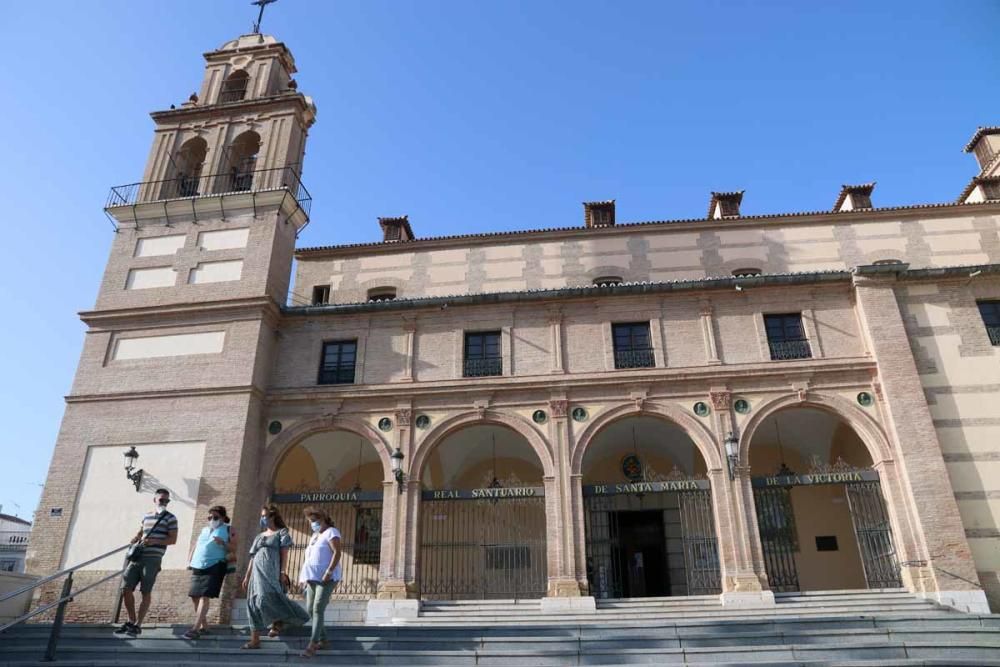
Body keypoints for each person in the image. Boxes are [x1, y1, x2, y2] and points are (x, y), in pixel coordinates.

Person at [241, 505, 308, 649]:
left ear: (272, 516)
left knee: (267, 598)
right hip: (256, 575)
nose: (262, 518)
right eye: (262, 516)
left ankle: (279, 622)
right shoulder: (259, 536)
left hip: (271, 572)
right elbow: (252, 557)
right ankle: (255, 639)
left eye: (264, 515)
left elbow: (284, 554)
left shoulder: (282, 533)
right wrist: (247, 576)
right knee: (253, 603)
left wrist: (283, 572)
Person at [115, 488, 178, 638]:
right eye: (161, 499)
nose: (164, 502)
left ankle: (138, 625)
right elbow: (142, 531)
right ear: (155, 500)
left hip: (153, 559)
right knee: (125, 588)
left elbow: (173, 540)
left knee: (145, 591)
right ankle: (131, 620)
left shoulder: (171, 518)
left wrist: (155, 541)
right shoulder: (147, 515)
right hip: (138, 557)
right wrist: (135, 538)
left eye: (166, 500)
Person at [183, 505, 234, 639]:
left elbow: (235, 547)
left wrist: (223, 543)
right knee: (194, 595)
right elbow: (196, 545)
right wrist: (189, 560)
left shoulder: (228, 529)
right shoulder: (204, 529)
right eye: (209, 517)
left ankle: (195, 628)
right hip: (197, 565)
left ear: (223, 517)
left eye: (215, 517)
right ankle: (204, 626)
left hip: (215, 565)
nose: (212, 519)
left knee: (204, 596)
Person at [297, 507, 342, 658]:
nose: (312, 524)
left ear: (322, 519)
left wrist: (329, 572)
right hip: (311, 577)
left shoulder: (332, 532)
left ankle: (313, 643)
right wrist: (303, 578)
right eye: (311, 521)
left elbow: (337, 552)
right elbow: (309, 558)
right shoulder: (315, 536)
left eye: (314, 521)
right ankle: (323, 639)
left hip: (326, 578)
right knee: (310, 609)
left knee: (317, 608)